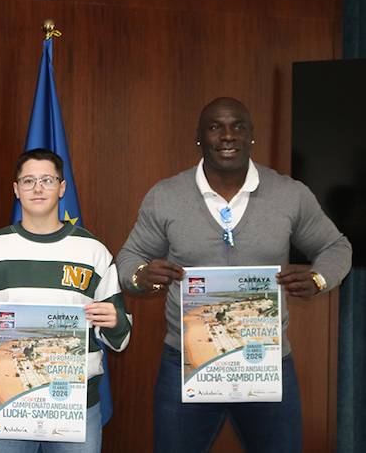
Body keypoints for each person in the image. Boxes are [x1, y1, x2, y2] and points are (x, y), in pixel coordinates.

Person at [116, 97, 352, 453]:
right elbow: (129, 259)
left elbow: (337, 246)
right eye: (215, 127)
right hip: (186, 363)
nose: (228, 136)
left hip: (265, 362)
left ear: (251, 136)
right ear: (199, 137)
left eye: (238, 126)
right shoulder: (166, 196)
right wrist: (140, 276)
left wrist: (319, 279)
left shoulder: (290, 194)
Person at [0, 148, 132, 453]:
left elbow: (119, 339)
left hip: (76, 404)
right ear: (16, 189)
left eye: (47, 180)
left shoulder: (93, 252)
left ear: (62, 187)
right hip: (4, 399)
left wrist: (115, 322)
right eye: (29, 180)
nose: (37, 188)